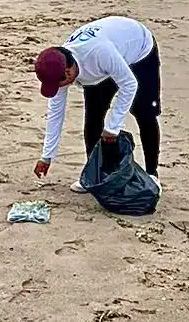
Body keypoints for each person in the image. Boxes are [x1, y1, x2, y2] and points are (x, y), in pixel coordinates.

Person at [32, 15, 163, 193]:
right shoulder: (56, 68)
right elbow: (56, 114)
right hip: (102, 66)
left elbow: (129, 84)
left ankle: (151, 173)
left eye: (60, 83)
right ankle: (93, 176)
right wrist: (46, 157)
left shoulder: (99, 53)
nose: (59, 88)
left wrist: (112, 127)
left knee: (144, 112)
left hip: (139, 50)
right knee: (93, 117)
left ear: (69, 70)